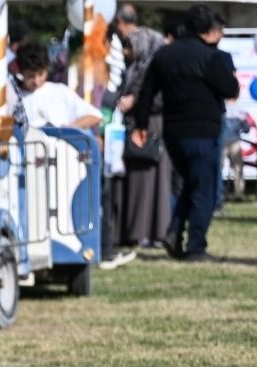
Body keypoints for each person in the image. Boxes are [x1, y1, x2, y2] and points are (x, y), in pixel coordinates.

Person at [132, 5, 237, 262]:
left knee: (190, 184)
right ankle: (196, 246)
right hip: (202, 130)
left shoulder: (165, 55)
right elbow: (229, 88)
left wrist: (141, 125)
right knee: (204, 190)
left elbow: (146, 91)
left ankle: (173, 231)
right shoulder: (209, 56)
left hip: (173, 131)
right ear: (206, 28)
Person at [116, 24, 172, 252]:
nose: (126, 52)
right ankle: (136, 230)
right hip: (139, 124)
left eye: (129, 47)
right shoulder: (136, 67)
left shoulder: (154, 67)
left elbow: (157, 97)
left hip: (149, 125)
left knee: (147, 179)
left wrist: (135, 101)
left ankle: (147, 231)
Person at [14, 41, 101, 130]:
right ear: (21, 72)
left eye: (40, 74)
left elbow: (95, 116)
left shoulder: (60, 91)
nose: (36, 81)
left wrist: (67, 129)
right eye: (30, 76)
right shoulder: (14, 97)